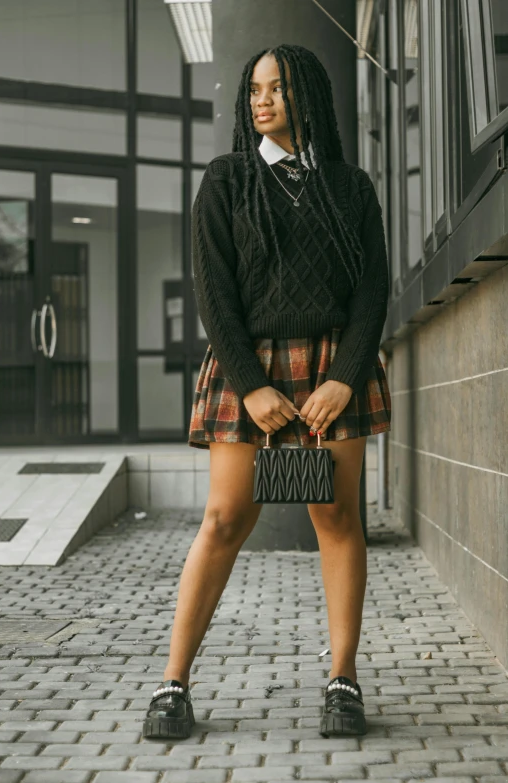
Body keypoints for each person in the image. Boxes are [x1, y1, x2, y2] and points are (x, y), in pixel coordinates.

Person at [143, 43, 391, 741]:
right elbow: (213, 292)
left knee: (336, 519)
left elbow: (373, 288)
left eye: (277, 87)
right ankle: (173, 684)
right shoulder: (225, 180)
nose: (261, 99)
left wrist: (344, 376)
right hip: (247, 370)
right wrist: (251, 387)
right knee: (224, 519)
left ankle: (343, 680)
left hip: (331, 368)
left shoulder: (351, 186)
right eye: (254, 88)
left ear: (307, 94)